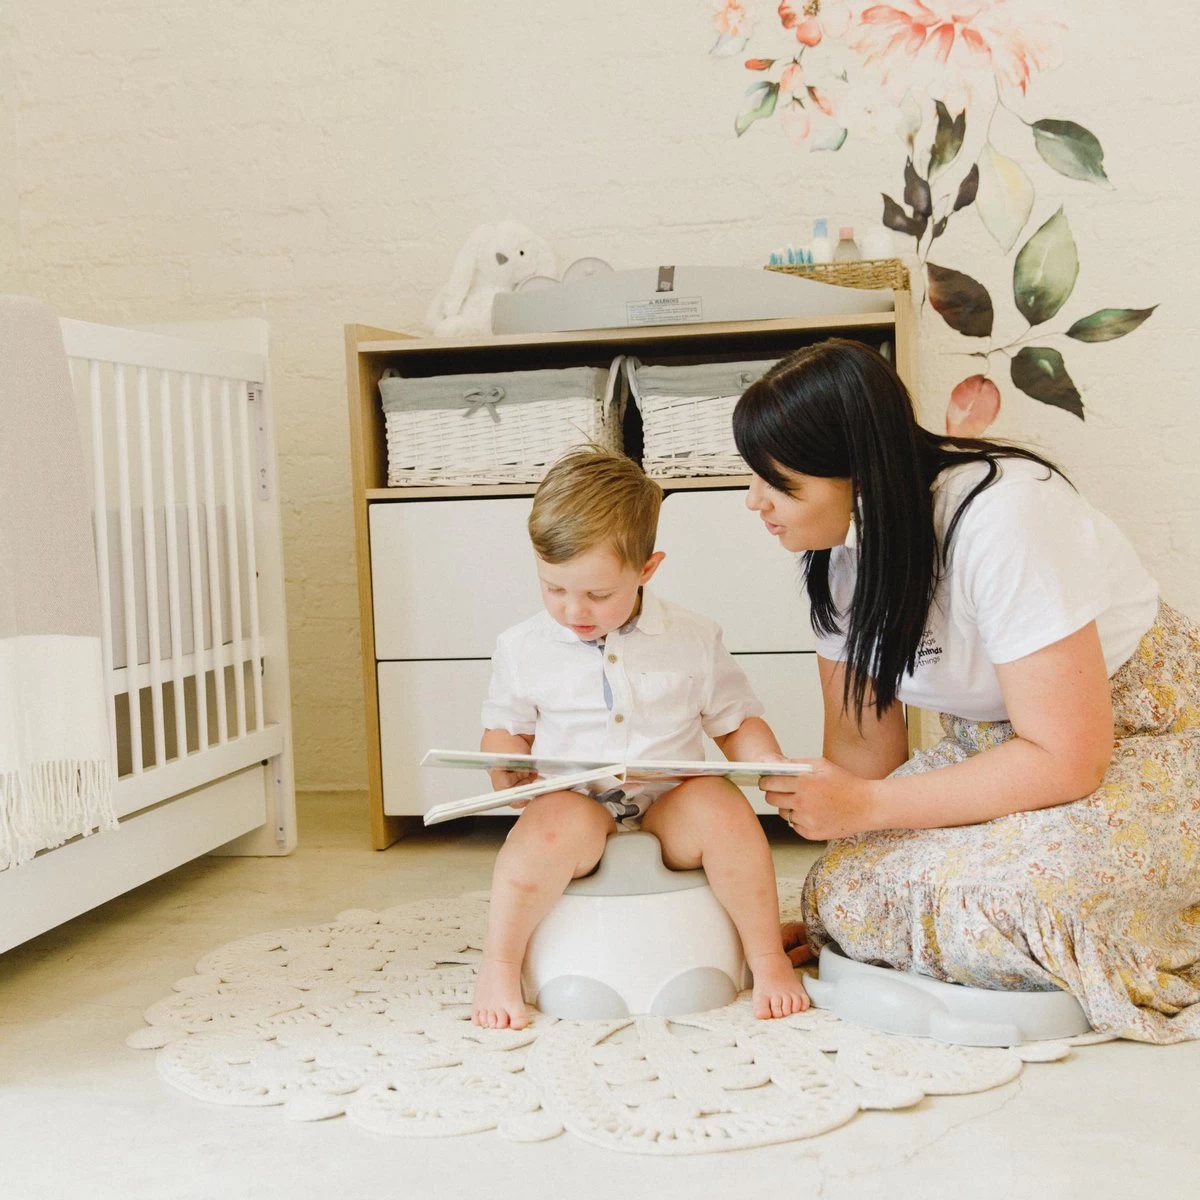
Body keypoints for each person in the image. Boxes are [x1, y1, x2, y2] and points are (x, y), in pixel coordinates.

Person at [733, 337, 1200, 1043]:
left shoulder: (1007, 515)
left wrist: (871, 807)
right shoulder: (839, 559)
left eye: (780, 483)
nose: (754, 503)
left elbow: (1070, 758)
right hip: (1006, 751)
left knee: (1026, 899)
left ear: (859, 474)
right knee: (840, 888)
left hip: (1133, 739)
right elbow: (864, 753)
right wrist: (827, 805)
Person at [473, 447, 810, 1030]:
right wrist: (505, 766)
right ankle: (500, 963)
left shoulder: (693, 637)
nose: (573, 609)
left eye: (597, 594)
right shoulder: (522, 646)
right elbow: (506, 727)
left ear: (646, 570)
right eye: (553, 589)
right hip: (577, 805)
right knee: (543, 832)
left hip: (668, 803)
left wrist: (768, 761)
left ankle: (766, 957)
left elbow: (733, 720)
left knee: (728, 814)